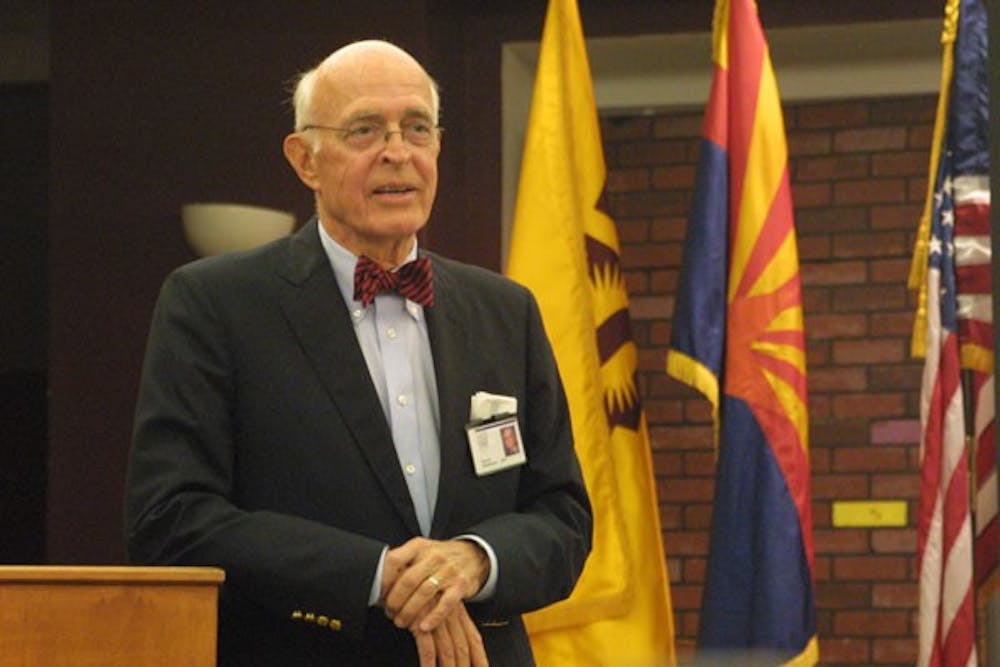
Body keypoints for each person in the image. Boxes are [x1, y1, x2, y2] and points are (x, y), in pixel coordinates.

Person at [124, 39, 591, 666]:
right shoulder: (214, 304)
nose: (396, 152)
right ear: (305, 159)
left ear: (437, 149)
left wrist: (474, 559)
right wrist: (376, 574)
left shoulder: (507, 310)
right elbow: (169, 518)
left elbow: (562, 517)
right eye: (365, 130)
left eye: (416, 129)